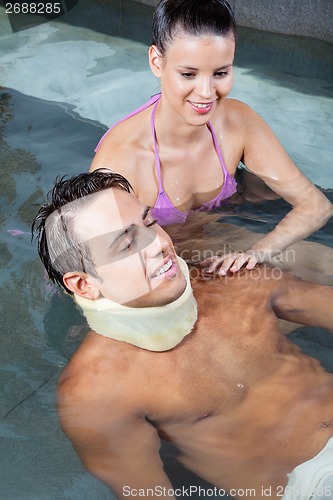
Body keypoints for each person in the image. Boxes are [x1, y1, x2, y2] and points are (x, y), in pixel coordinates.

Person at [32, 170, 333, 500]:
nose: (160, 244)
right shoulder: (96, 392)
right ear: (84, 284)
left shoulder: (231, 279)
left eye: (149, 223)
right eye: (127, 243)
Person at [90, 0, 333, 275]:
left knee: (326, 266)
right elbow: (105, 266)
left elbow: (316, 206)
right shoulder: (119, 162)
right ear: (157, 62)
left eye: (220, 73)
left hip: (216, 241)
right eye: (188, 74)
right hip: (160, 271)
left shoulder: (237, 122)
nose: (206, 93)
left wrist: (254, 255)